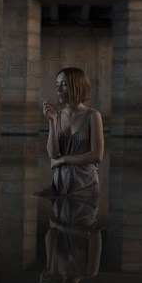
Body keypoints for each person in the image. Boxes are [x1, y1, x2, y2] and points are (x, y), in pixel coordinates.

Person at [35, 67, 104, 197]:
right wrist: (52, 122)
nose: (58, 90)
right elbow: (53, 154)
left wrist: (64, 159)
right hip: (59, 185)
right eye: (57, 85)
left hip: (86, 186)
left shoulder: (93, 115)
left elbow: (97, 156)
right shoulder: (58, 116)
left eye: (64, 84)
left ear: (77, 86)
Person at [38, 196, 102, 283]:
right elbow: (95, 234)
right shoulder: (89, 271)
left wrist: (49, 266)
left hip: (61, 206)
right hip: (84, 205)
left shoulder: (56, 268)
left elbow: (51, 232)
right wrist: (61, 228)